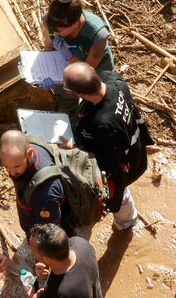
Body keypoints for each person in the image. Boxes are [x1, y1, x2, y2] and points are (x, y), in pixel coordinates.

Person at [62, 62, 153, 231]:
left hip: (122, 165)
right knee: (122, 191)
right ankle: (128, 219)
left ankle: (126, 223)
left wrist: (74, 148)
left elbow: (106, 163)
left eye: (67, 88)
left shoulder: (102, 124)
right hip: (134, 146)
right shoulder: (113, 80)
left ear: (80, 94)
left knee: (118, 193)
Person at [39, 0, 115, 114]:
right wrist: (45, 74)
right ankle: (69, 113)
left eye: (59, 31)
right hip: (65, 66)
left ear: (75, 24)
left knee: (92, 104)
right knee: (66, 96)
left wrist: (69, 56)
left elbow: (87, 71)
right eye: (53, 30)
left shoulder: (98, 35)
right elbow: (48, 48)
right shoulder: (49, 20)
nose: (55, 33)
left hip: (95, 71)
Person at [0, 130, 66, 235]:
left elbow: (50, 233)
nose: (11, 172)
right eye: (6, 167)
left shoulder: (44, 194)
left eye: (17, 167)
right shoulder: (29, 144)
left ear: (29, 153)